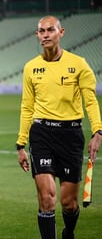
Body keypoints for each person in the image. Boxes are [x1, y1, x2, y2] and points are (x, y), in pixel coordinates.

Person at [15, 15, 102, 239]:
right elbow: (27, 106)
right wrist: (21, 144)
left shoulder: (78, 64)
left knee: (69, 203)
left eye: (50, 30)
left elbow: (90, 101)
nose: (45, 34)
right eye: (41, 31)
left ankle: (69, 232)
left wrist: (98, 132)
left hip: (71, 135)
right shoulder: (30, 68)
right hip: (42, 134)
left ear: (60, 33)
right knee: (47, 199)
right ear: (37, 35)